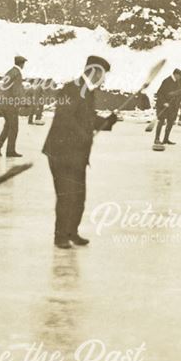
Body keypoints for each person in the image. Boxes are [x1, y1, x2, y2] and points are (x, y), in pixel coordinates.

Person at [42, 56, 119, 249]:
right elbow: (65, 117)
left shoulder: (88, 92)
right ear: (94, 72)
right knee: (66, 196)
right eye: (103, 76)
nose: (103, 80)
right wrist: (83, 134)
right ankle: (60, 236)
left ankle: (72, 232)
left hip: (77, 154)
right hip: (61, 153)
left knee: (78, 196)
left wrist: (107, 121)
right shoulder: (70, 89)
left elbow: (87, 118)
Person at [0, 55, 26, 157]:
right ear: (22, 63)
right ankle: (10, 151)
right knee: (14, 128)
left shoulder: (9, 72)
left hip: (4, 104)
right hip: (11, 105)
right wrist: (21, 102)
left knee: (8, 126)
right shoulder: (17, 73)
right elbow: (17, 90)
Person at [154, 68, 181, 146]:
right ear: (175, 74)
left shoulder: (177, 82)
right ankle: (157, 139)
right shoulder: (166, 81)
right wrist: (164, 102)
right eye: (179, 76)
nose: (180, 77)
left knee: (170, 122)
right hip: (163, 106)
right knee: (161, 122)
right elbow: (159, 93)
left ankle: (166, 139)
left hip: (172, 106)